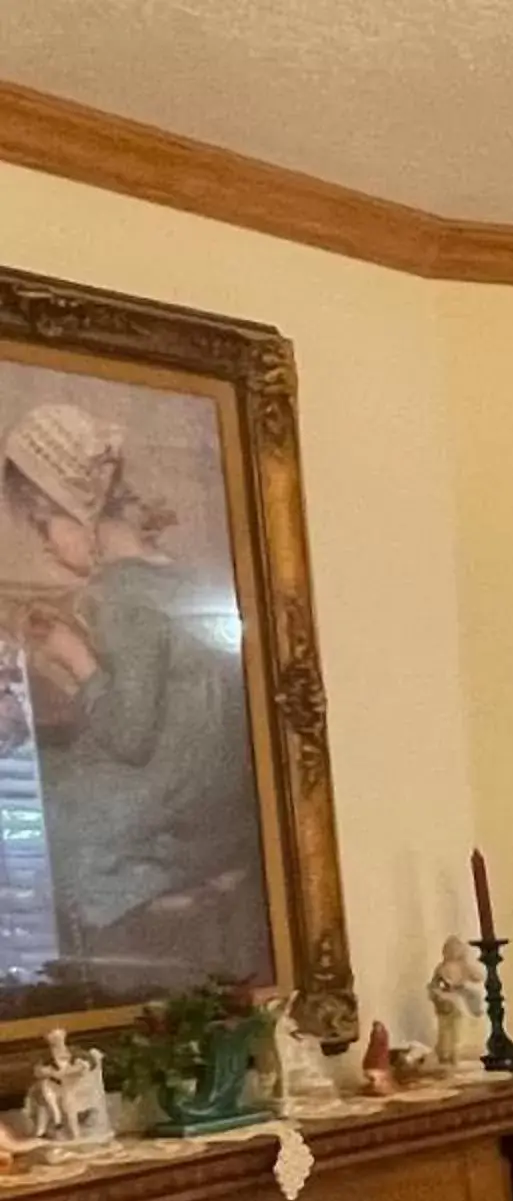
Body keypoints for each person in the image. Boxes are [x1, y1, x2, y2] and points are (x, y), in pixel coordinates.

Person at [5, 400, 267, 1000]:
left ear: (78, 512)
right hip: (215, 791)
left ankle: (62, 982)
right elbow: (153, 696)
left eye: (46, 528)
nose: (47, 548)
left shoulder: (117, 597)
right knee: (56, 772)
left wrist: (74, 658)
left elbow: (130, 734)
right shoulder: (176, 580)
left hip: (174, 802)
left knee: (42, 808)